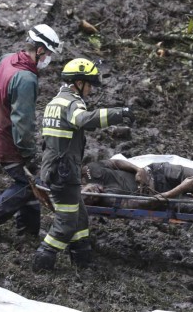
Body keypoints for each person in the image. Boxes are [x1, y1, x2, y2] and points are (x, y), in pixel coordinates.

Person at [32, 58, 135, 272]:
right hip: (63, 172)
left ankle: (82, 258)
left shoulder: (55, 102)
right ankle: (43, 259)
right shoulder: (72, 103)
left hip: (55, 169)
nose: (90, 90)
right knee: (67, 223)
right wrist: (119, 113)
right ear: (78, 82)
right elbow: (84, 120)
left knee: (79, 216)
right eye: (89, 85)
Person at [0, 24, 62, 240]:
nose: (49, 59)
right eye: (48, 54)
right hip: (6, 139)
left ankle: (28, 231)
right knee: (31, 183)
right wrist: (28, 153)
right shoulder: (26, 79)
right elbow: (23, 122)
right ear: (39, 50)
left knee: (30, 182)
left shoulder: (9, 59)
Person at [80, 159, 193, 217]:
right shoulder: (110, 201)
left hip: (158, 172)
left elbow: (114, 162)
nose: (94, 194)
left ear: (82, 186)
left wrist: (137, 169)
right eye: (92, 200)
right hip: (165, 198)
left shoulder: (90, 170)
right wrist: (182, 188)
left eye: (88, 192)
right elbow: (149, 204)